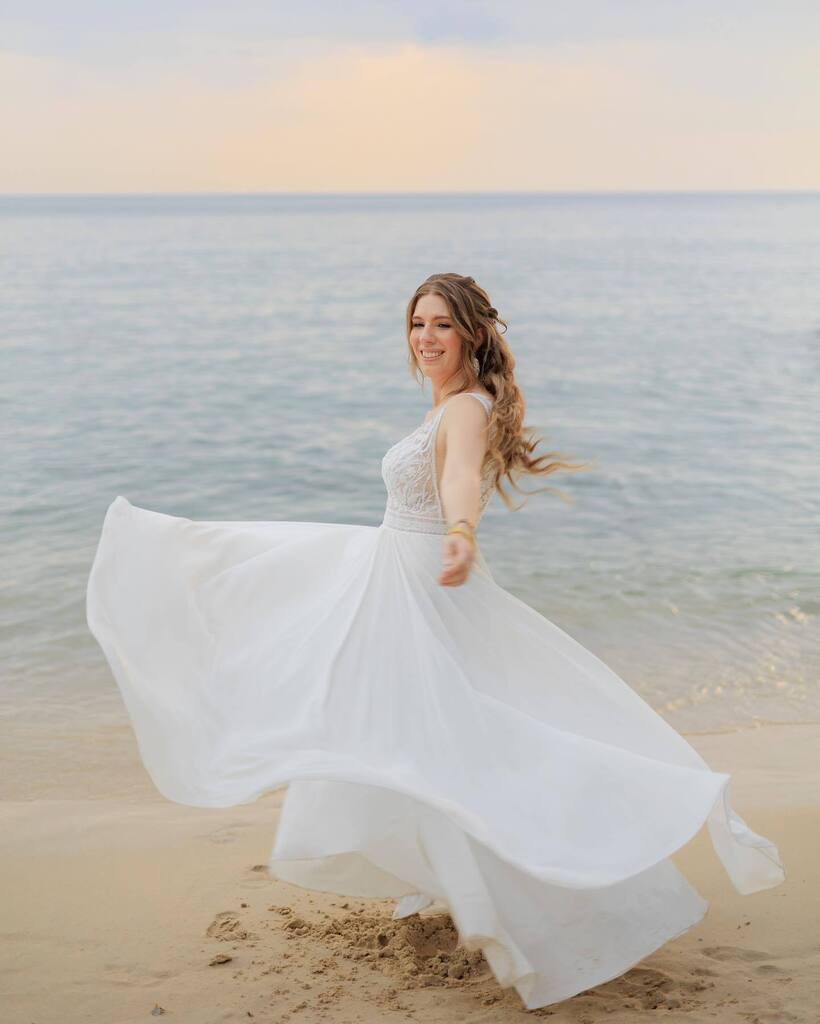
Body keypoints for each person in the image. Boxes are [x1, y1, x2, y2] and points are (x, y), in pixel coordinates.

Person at [86, 272, 785, 1011]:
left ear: (472, 335)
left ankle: (513, 905)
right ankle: (454, 888)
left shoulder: (466, 410)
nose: (426, 338)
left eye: (442, 325)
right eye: (417, 323)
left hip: (423, 580)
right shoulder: (448, 403)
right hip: (396, 573)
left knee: (440, 742)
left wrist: (460, 532)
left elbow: (457, 477)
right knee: (423, 737)